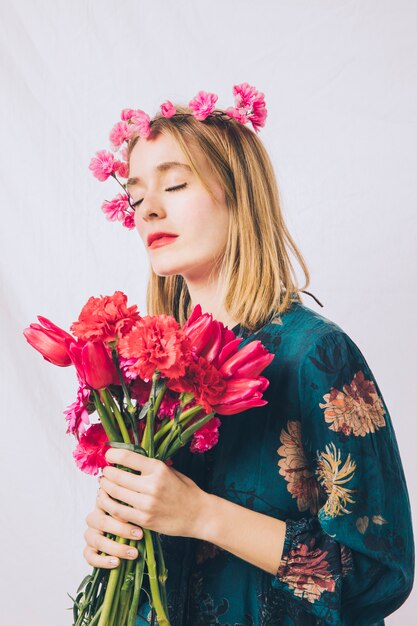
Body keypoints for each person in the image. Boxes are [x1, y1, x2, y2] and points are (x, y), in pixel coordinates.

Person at [83, 86, 414, 625]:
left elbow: (379, 575)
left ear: (238, 192)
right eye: (137, 196)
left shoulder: (316, 355)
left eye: (175, 183)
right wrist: (118, 534)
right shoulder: (148, 368)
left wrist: (202, 515)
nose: (151, 210)